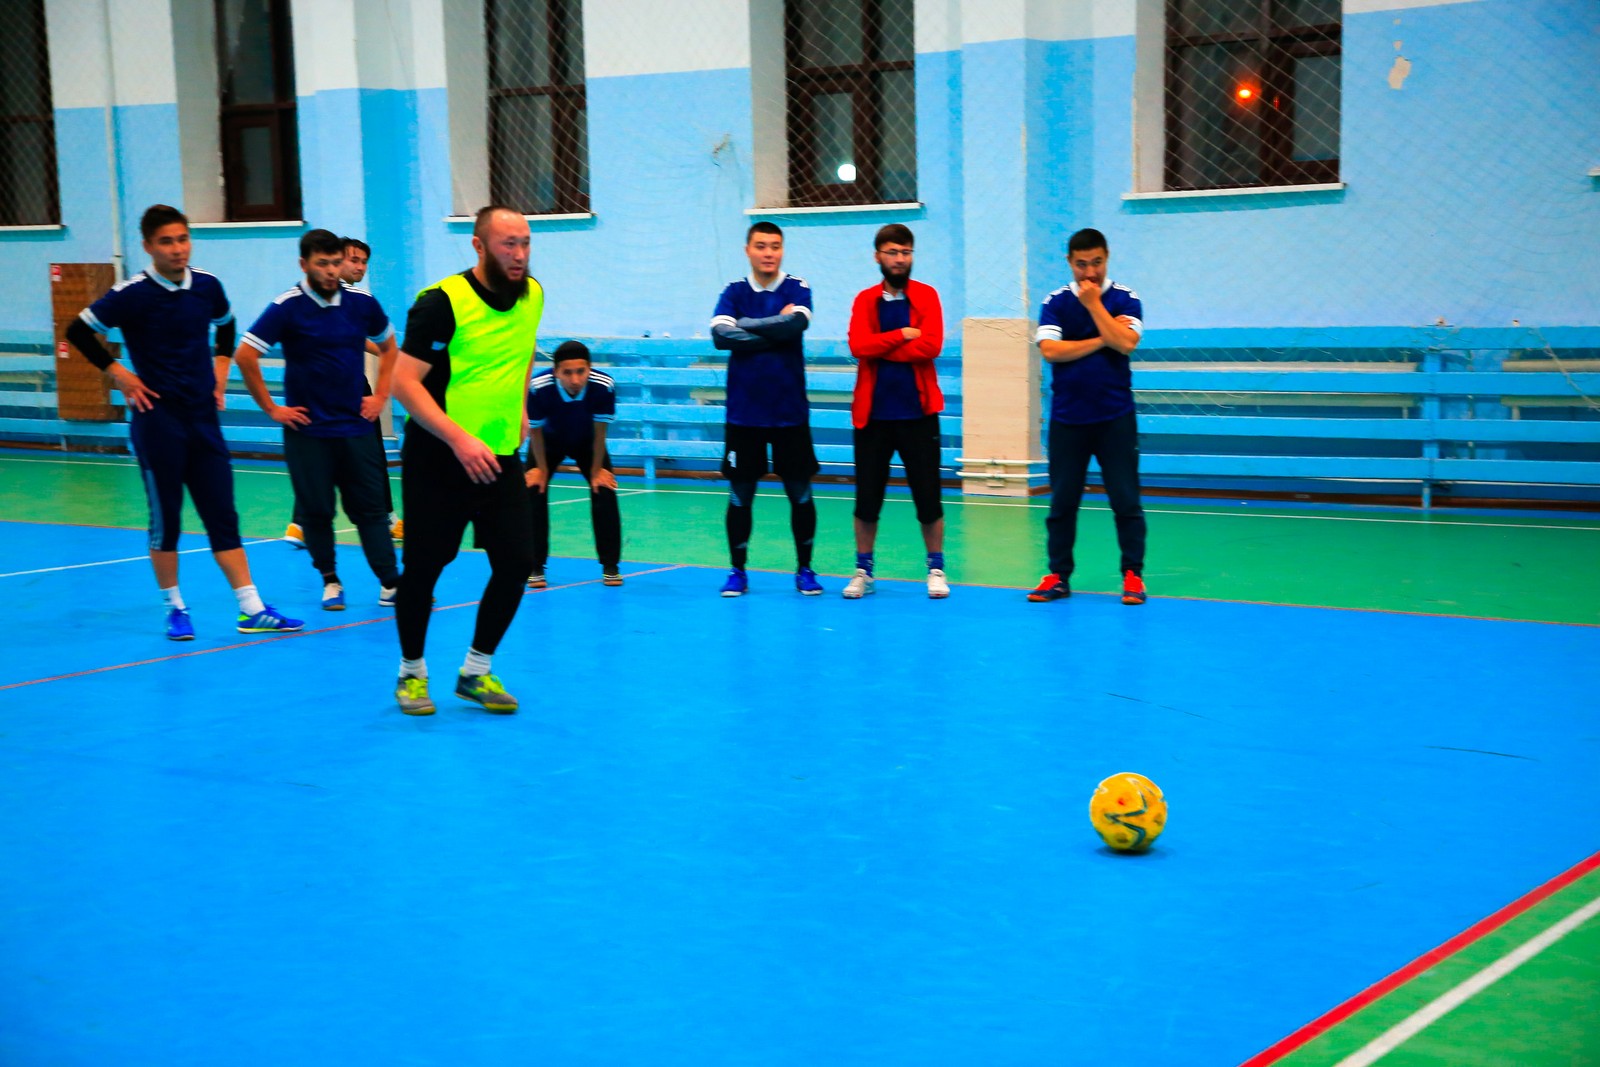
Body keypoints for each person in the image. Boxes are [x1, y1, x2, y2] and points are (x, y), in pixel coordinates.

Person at [63, 204, 302, 638]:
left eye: (183, 239)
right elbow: (78, 331)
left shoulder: (207, 286)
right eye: (166, 242)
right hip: (158, 422)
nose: (177, 249)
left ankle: (250, 608)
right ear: (148, 246)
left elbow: (226, 326)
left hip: (203, 421)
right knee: (167, 521)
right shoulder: (131, 294)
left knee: (222, 515)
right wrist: (120, 375)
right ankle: (174, 607)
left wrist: (221, 369)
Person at [389, 205, 543, 716]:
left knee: (517, 563)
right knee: (425, 568)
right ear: (479, 246)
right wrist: (459, 439)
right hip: (439, 458)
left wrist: (520, 407)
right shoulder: (441, 304)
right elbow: (403, 384)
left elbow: (523, 349)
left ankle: (476, 671)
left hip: (499, 458)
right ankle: (412, 674)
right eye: (507, 244)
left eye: (524, 243)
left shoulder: (533, 295)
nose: (519, 254)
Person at [234, 229, 402, 611]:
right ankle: (330, 580)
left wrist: (380, 396)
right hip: (308, 432)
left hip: (356, 428)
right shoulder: (287, 307)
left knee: (371, 510)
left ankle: (391, 582)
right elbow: (245, 355)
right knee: (317, 511)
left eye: (335, 263)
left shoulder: (362, 303)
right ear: (304, 264)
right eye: (322, 264)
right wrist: (272, 409)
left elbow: (389, 347)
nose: (330, 271)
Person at [1028, 227, 1148, 606]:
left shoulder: (1126, 298)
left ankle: (1133, 575)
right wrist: (1102, 339)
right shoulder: (1056, 302)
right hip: (1068, 420)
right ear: (1070, 262)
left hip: (1115, 418)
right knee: (1062, 503)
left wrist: (1095, 305)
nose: (1090, 272)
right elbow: (1051, 351)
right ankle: (1057, 576)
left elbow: (1126, 343)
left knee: (1125, 500)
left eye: (1096, 263)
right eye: (1082, 265)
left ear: (1106, 258)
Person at [709, 221, 820, 597]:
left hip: (790, 413)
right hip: (745, 415)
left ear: (782, 250)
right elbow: (721, 335)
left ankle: (805, 569)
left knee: (800, 493)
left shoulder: (797, 287)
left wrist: (748, 327)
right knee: (740, 494)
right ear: (748, 250)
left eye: (775, 246)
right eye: (761, 246)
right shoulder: (734, 291)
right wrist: (775, 329)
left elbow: (797, 324)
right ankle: (737, 571)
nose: (768, 253)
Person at [842, 224, 949, 599]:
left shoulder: (927, 296)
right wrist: (902, 334)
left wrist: (881, 347)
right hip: (873, 417)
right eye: (892, 252)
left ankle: (936, 569)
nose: (899, 259)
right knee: (867, 501)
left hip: (919, 416)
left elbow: (930, 346)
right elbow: (858, 346)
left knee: (928, 498)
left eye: (905, 252)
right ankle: (864, 571)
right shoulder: (864, 300)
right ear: (878, 256)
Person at [282, 236, 401, 547]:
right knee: (362, 455)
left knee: (325, 457)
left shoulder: (346, 300)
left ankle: (300, 524)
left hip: (335, 390)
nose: (359, 267)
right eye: (353, 260)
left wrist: (387, 354)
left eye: (364, 262)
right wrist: (391, 355)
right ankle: (383, 518)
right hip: (338, 393)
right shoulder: (329, 299)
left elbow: (359, 339)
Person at [524, 341, 623, 588]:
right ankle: (535, 566)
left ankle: (610, 565)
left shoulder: (603, 385)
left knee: (604, 488)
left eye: (581, 371)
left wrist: (597, 470)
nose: (575, 379)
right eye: (567, 373)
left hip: (587, 441)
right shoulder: (538, 387)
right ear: (556, 372)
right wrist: (541, 469)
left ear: (589, 368)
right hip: (547, 443)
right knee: (534, 489)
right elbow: (535, 431)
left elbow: (600, 430)